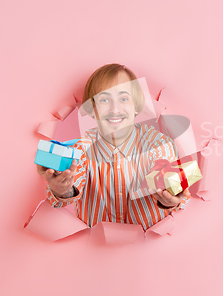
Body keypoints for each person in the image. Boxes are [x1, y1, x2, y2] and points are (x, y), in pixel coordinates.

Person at [36, 64, 190, 231]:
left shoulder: (159, 144)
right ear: (92, 109)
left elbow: (179, 194)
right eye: (104, 99)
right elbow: (69, 189)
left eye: (123, 99)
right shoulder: (81, 148)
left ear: (136, 106)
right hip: (93, 251)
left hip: (149, 251)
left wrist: (171, 200)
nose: (114, 109)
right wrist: (62, 189)